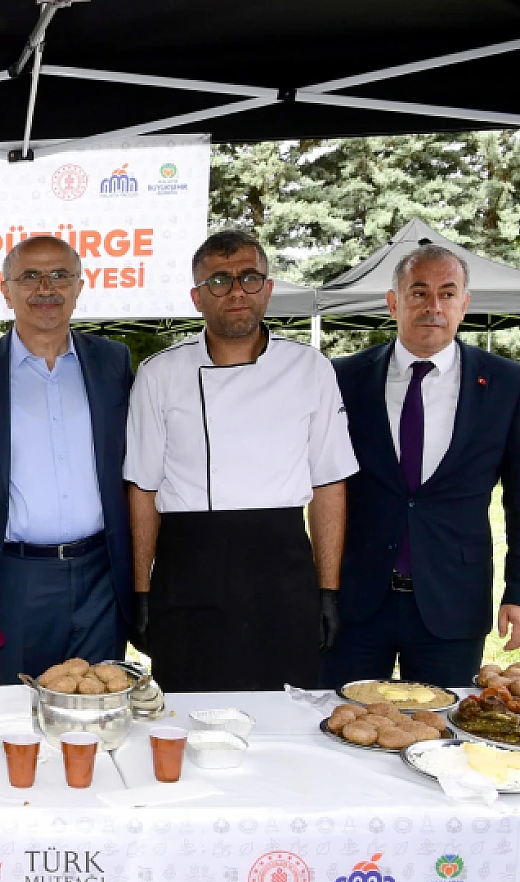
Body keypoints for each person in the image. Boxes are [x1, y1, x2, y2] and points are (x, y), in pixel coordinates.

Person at [125, 230, 357, 691]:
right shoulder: (160, 374)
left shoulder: (310, 368)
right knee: (184, 714)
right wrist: (142, 592)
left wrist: (327, 590)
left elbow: (329, 483)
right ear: (197, 297)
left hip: (280, 567)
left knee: (284, 717)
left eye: (249, 278)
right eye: (218, 281)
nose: (235, 291)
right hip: (188, 567)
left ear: (268, 289)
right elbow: (143, 488)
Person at [323, 245, 520, 687]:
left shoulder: (506, 383)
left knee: (440, 738)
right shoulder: (342, 379)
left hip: (452, 604)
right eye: (419, 292)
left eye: (447, 294)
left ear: (464, 304)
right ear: (393, 302)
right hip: (357, 602)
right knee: (341, 727)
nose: (433, 306)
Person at [0, 235, 136, 683]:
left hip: (100, 578)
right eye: (30, 276)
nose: (46, 288)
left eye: (59, 275)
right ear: (5, 289)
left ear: (79, 286)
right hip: (15, 580)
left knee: (95, 711)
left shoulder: (112, 362)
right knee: (13, 715)